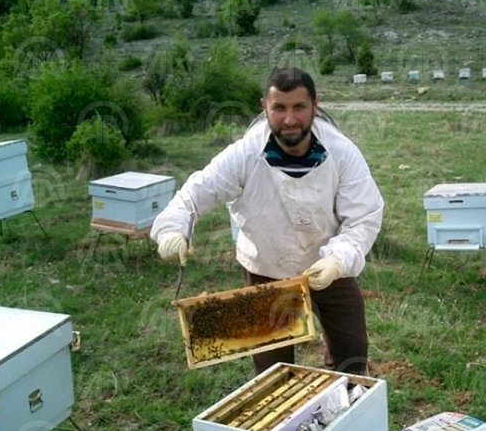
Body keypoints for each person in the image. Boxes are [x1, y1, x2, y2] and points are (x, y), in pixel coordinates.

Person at [151, 67, 384, 375]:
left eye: (299, 107)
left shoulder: (342, 153)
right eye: (279, 108)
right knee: (273, 370)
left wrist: (338, 261)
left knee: (352, 354)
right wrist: (171, 230)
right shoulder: (245, 154)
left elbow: (364, 216)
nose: (289, 119)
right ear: (265, 107)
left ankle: (348, 407)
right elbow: (194, 194)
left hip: (329, 267)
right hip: (267, 269)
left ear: (316, 105)